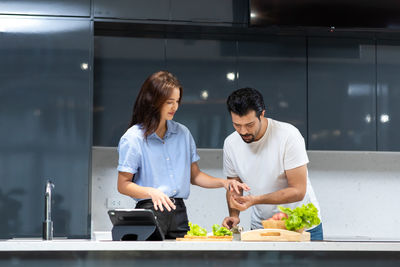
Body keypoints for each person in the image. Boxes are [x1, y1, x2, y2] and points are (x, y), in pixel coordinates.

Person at [117, 71, 249, 239]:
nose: (175, 107)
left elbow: (195, 176)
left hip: (179, 211)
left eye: (177, 101)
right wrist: (152, 192)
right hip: (150, 209)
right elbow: (123, 185)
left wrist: (225, 183)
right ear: (153, 101)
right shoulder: (133, 138)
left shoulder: (183, 133)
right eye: (169, 102)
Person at [221, 87, 323, 240]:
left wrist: (255, 200)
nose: (243, 131)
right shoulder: (230, 143)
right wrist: (234, 215)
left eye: (249, 125)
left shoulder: (288, 136)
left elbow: (298, 190)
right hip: (262, 226)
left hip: (301, 226)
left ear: (262, 114)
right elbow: (234, 186)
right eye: (237, 125)